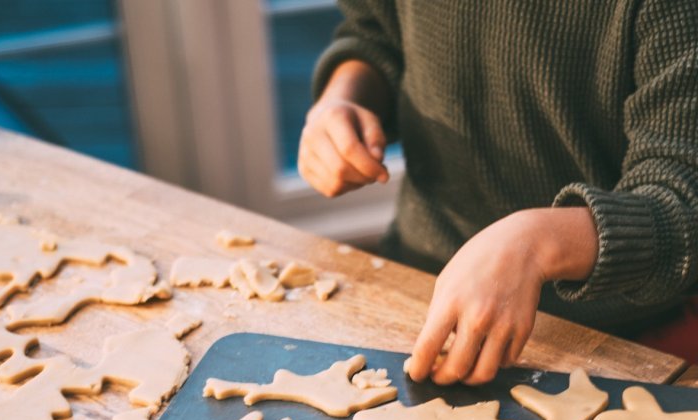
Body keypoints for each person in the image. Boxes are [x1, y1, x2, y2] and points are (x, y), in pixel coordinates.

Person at [299, 1, 698, 385]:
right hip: (413, 288)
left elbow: (684, 205)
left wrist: (539, 242)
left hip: (621, 338)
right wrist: (343, 98)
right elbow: (376, 31)